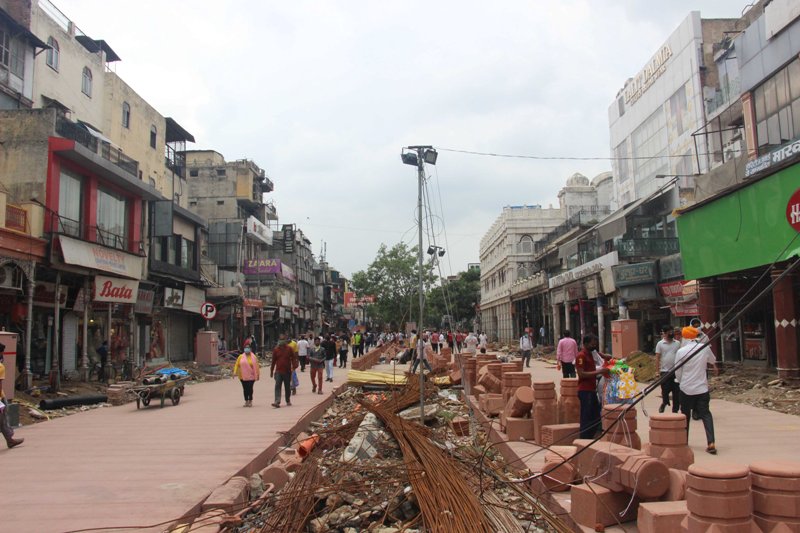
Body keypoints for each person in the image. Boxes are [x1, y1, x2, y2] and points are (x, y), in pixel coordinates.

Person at [675, 326, 719, 455]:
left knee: (685, 415)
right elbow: (713, 360)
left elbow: (678, 371)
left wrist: (682, 382)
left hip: (686, 388)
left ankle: (684, 442)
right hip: (702, 388)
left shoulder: (681, 351)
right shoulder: (704, 348)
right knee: (706, 414)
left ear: (684, 337)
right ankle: (711, 442)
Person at [576, 335, 610, 440]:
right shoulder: (581, 356)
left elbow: (601, 355)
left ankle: (591, 435)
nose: (594, 345)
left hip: (591, 389)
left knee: (595, 414)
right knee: (586, 416)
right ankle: (584, 438)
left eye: (595, 343)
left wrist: (606, 357)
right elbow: (581, 374)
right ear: (585, 344)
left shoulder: (592, 353)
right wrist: (599, 371)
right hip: (584, 390)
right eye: (592, 343)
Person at [0, 345, 23, 448]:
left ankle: (9, 439)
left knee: (3, 420)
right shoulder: (0, 367)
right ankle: (10, 439)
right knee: (2, 419)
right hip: (0, 398)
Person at [655, 325, 681, 414]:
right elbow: (657, 358)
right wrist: (657, 371)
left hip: (676, 370)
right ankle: (664, 402)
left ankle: (675, 410)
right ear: (664, 333)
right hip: (664, 371)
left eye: (672, 331)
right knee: (665, 390)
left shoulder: (677, 343)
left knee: (676, 391)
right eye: (669, 332)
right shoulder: (660, 344)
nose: (671, 333)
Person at [270, 336, 295, 408]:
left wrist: (294, 366)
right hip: (278, 371)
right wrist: (271, 371)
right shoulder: (276, 350)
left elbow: (293, 358)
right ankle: (277, 401)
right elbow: (273, 361)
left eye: (283, 340)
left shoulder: (289, 349)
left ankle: (288, 399)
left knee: (287, 387)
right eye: (280, 340)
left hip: (287, 371)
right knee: (277, 385)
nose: (281, 341)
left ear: (285, 340)